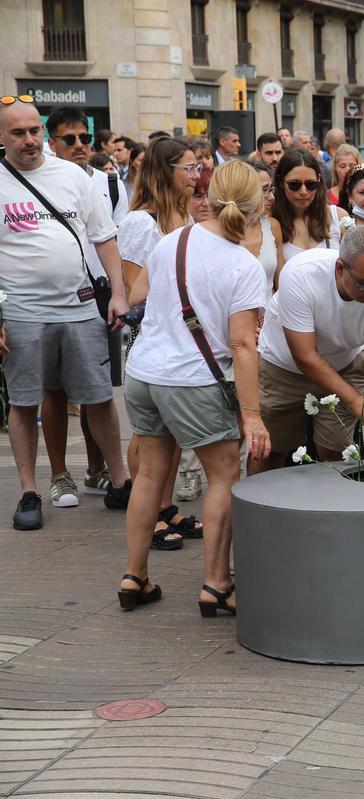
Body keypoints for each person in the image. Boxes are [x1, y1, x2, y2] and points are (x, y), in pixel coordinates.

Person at [118, 160, 271, 614]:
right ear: (256, 205)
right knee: (224, 476)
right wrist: (252, 414)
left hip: (145, 372)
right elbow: (243, 344)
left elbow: (138, 293)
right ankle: (216, 584)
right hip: (194, 379)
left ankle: (134, 575)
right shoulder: (243, 263)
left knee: (148, 474)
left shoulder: (173, 239)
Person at [0, 96, 131, 531]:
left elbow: (104, 236)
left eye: (34, 131)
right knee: (23, 403)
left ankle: (120, 480)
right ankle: (28, 492)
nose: (30, 140)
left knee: (98, 396)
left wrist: (118, 294)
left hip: (78, 305)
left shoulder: (73, 176)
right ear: (2, 137)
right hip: (20, 310)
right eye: (18, 132)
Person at [254, 225, 364, 472]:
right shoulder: (300, 274)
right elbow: (305, 355)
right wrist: (354, 399)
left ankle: (326, 508)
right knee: (271, 451)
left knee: (336, 453)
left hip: (345, 365)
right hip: (284, 367)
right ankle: (259, 508)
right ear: (340, 269)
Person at [118, 137, 207, 539]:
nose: (197, 175)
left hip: (181, 338)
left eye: (197, 167)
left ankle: (166, 505)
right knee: (147, 434)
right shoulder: (142, 221)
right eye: (188, 168)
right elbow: (132, 288)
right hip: (150, 336)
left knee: (172, 432)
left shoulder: (184, 216)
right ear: (164, 171)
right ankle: (146, 509)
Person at [41, 106, 130, 503]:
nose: (79, 146)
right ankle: (62, 474)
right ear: (53, 142)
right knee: (56, 389)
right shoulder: (40, 182)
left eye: (85, 139)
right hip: (53, 297)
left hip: (101, 294)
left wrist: (120, 291)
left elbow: (116, 241)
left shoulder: (110, 185)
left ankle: (103, 470)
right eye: (69, 139)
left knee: (99, 390)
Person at [272, 148, 349, 263]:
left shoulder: (338, 217)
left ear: (318, 180)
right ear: (280, 182)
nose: (303, 191)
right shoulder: (271, 223)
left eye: (311, 184)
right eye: (294, 184)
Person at [241, 164, 285, 301]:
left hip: (269, 317)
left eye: (271, 189)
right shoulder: (223, 231)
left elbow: (282, 282)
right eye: (264, 190)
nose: (271, 197)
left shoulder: (273, 226)